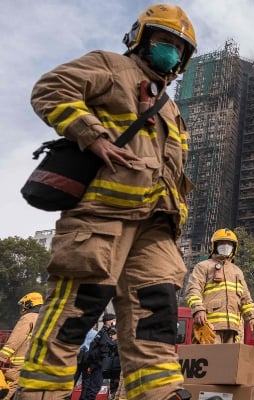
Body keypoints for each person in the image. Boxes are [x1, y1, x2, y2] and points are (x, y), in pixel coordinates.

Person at [18, 4, 197, 399]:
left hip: (156, 230)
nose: (171, 51)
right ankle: (39, 393)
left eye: (178, 48)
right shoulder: (112, 66)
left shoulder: (171, 107)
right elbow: (52, 88)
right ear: (141, 38)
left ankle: (159, 393)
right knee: (73, 316)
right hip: (101, 219)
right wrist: (92, 134)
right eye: (163, 41)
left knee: (156, 322)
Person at [185, 228, 254, 343]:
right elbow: (193, 290)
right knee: (210, 359)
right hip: (210, 326)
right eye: (222, 244)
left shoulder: (237, 272)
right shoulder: (203, 266)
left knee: (231, 360)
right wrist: (198, 309)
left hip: (234, 329)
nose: (225, 247)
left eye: (229, 244)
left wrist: (252, 317)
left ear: (234, 248)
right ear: (215, 246)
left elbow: (246, 299)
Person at [0, 293, 42, 399]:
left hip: (21, 363)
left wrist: (2, 357)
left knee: (10, 388)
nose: (22, 308)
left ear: (29, 304)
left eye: (23, 305)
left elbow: (15, 340)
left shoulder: (28, 318)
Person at [81, 313, 117, 400]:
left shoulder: (102, 332)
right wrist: (115, 341)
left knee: (91, 387)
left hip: (96, 363)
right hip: (99, 364)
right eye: (113, 320)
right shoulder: (105, 333)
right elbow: (105, 347)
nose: (115, 322)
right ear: (109, 322)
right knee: (94, 387)